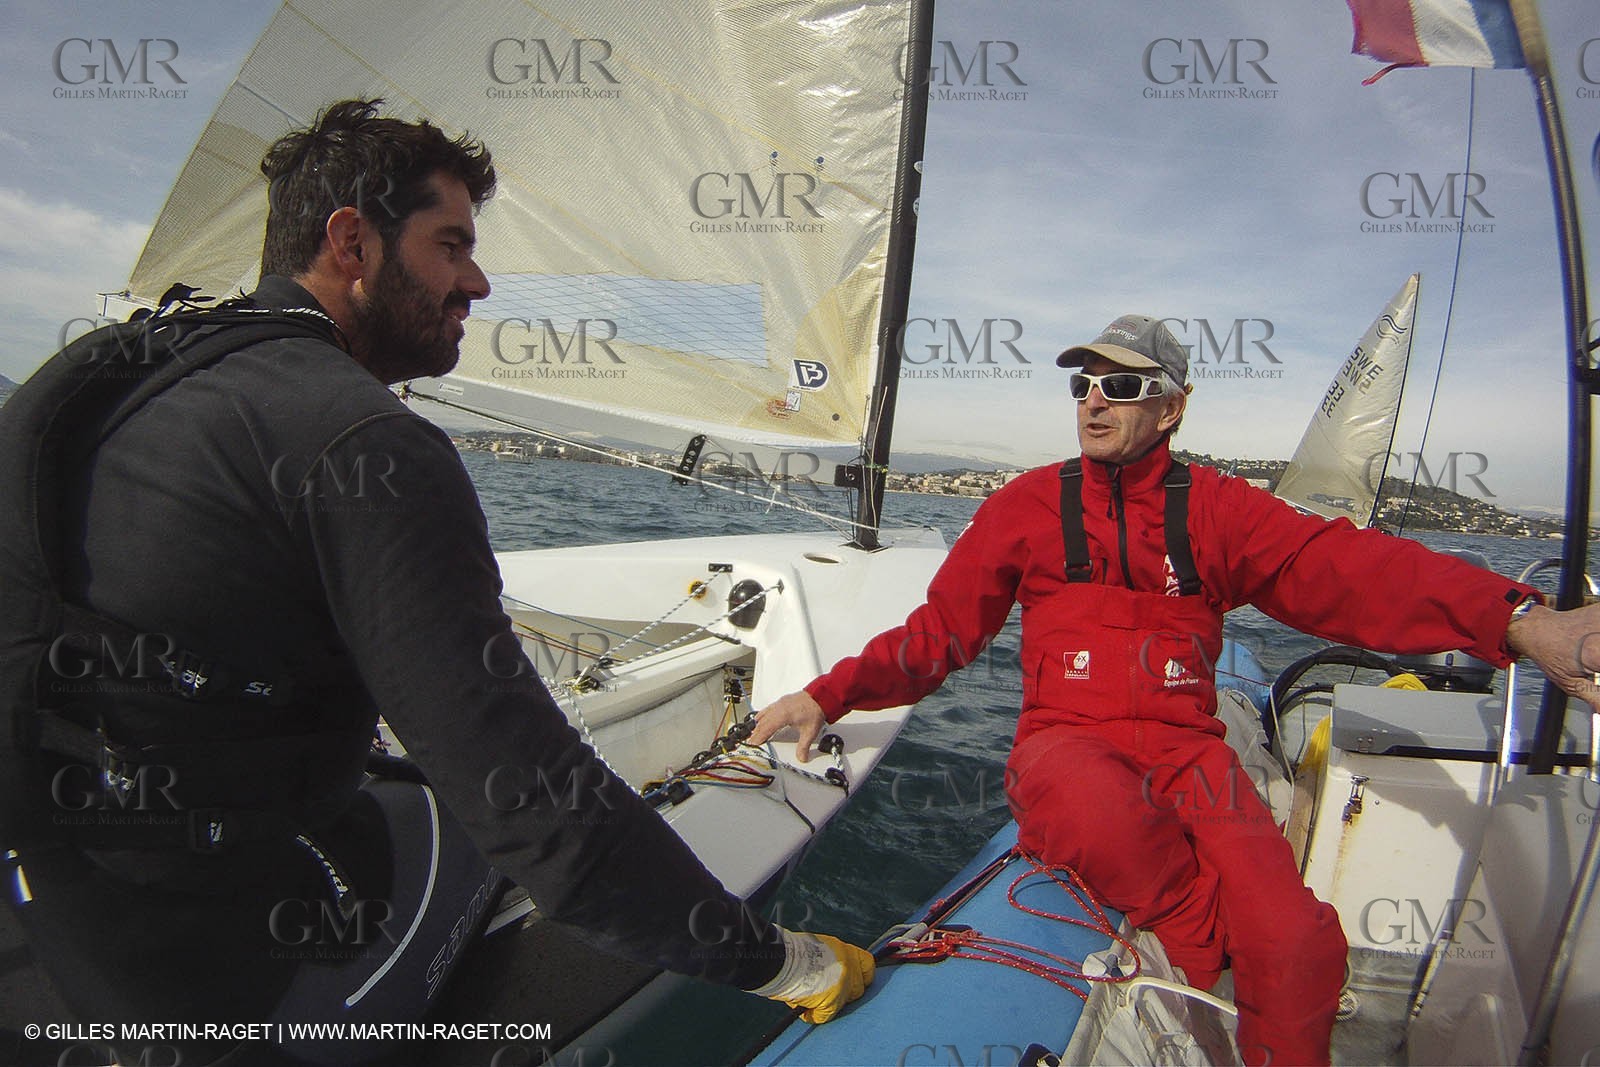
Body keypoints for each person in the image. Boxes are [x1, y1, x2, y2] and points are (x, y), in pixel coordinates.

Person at [0, 99, 869, 1066]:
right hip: (192, 981)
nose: (478, 282)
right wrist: (785, 964)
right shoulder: (363, 440)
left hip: (40, 877)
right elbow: (533, 805)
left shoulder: (103, 377)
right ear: (352, 243)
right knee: (464, 826)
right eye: (451, 246)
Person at [750, 313, 1600, 1066]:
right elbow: (939, 635)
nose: (1094, 401)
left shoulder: (1220, 510)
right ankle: (1200, 943)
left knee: (1299, 941)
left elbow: (1351, 569)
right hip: (1066, 742)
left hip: (1191, 754)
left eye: (1121, 386)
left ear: (1172, 406)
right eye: (1084, 385)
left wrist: (1517, 621)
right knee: (1093, 810)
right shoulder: (1024, 506)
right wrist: (830, 694)